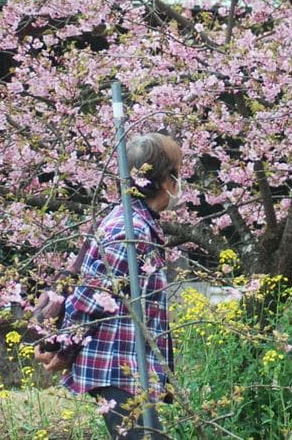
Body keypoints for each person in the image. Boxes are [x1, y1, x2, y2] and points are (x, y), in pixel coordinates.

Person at [36, 132, 182, 439]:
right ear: (165, 180)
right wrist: (62, 350)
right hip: (114, 361)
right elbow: (89, 297)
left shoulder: (140, 223)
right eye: (177, 174)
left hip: (127, 360)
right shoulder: (129, 230)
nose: (179, 184)